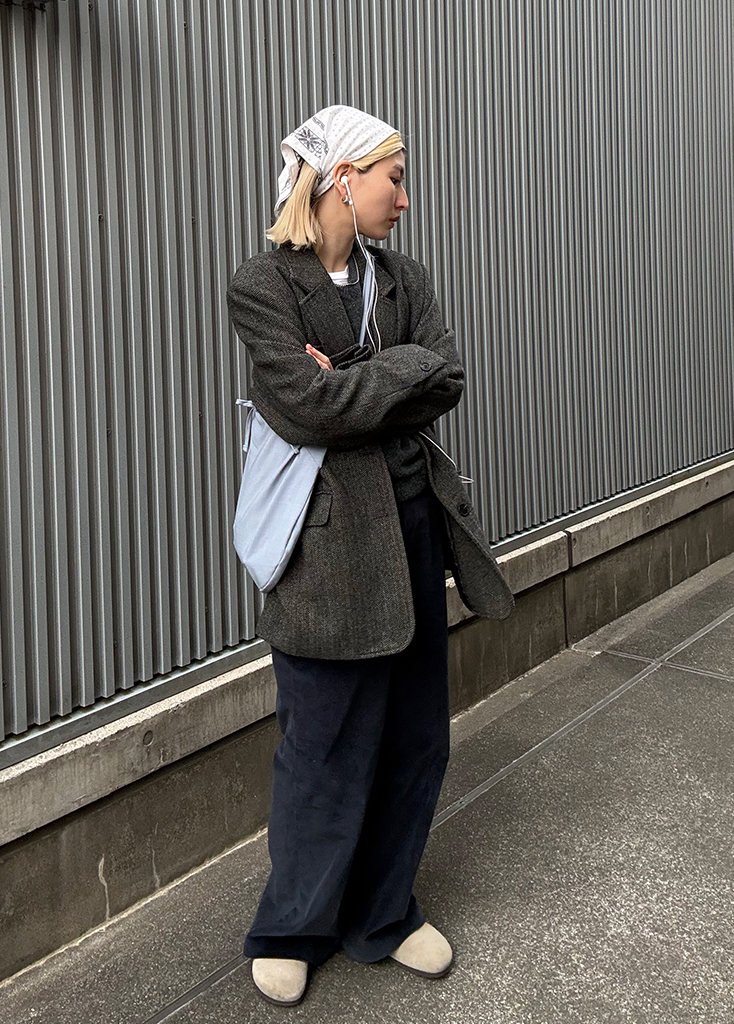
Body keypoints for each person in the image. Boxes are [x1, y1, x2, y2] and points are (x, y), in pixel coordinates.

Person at [227, 105, 513, 1007]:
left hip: (415, 532)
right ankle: (293, 928)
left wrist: (349, 378)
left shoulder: (405, 278)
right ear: (343, 179)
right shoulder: (263, 285)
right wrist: (397, 373)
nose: (404, 196)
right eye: (394, 177)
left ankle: (383, 914)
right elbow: (305, 408)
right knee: (322, 746)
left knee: (416, 739)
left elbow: (448, 376)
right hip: (326, 551)